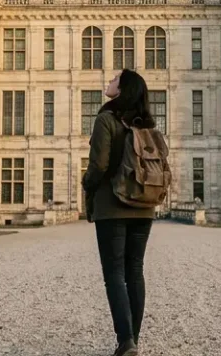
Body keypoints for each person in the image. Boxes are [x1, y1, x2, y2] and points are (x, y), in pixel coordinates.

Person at [83, 69, 157, 356]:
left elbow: (98, 166)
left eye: (114, 79)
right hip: (143, 207)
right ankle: (131, 340)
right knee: (135, 271)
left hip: (112, 207)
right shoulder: (147, 124)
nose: (109, 81)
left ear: (122, 88)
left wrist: (87, 183)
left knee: (114, 273)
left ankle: (126, 340)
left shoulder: (106, 119)